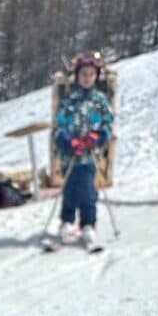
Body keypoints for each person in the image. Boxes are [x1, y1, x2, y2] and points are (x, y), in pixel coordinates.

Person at [52, 51, 114, 247]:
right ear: (77, 76)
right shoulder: (70, 101)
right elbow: (59, 126)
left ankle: (88, 223)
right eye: (83, 74)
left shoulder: (100, 100)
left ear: (95, 77)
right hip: (70, 155)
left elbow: (108, 124)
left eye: (91, 74)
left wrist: (96, 137)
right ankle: (67, 221)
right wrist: (69, 142)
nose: (87, 78)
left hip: (89, 155)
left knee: (87, 190)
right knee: (70, 189)